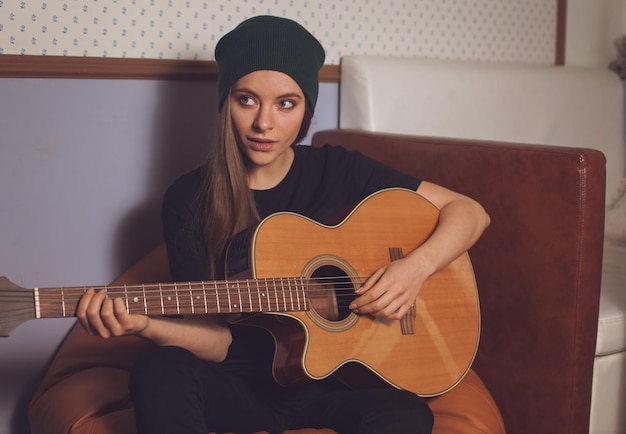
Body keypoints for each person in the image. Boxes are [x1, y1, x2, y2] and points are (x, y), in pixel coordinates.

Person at [77, 15, 490, 434]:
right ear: (226, 103)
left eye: (286, 103)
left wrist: (413, 270)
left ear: (306, 108)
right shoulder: (189, 199)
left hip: (337, 388)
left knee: (407, 413)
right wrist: (146, 325)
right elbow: (217, 341)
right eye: (247, 99)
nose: (264, 123)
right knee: (159, 368)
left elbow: (471, 212)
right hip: (239, 391)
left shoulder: (338, 170)